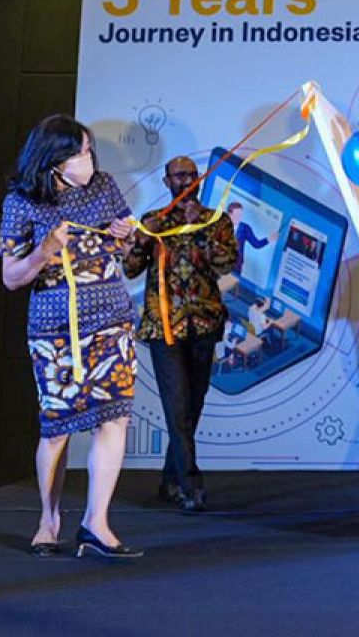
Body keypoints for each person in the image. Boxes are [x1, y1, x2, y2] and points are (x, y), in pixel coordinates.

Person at [0, 114, 142, 558]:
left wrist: (126, 238)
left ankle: (96, 523)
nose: (87, 159)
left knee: (114, 418)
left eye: (88, 150)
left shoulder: (103, 187)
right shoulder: (22, 202)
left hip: (111, 319)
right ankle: (49, 519)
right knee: (57, 429)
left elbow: (127, 251)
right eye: (78, 152)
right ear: (53, 160)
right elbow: (11, 277)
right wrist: (43, 252)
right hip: (55, 329)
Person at [123, 156, 238, 513]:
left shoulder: (215, 220)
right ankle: (191, 485)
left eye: (191, 175)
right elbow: (130, 269)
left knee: (193, 404)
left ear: (199, 179)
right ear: (167, 181)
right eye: (179, 176)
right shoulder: (153, 221)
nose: (186, 181)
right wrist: (143, 238)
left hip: (204, 325)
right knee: (177, 404)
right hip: (164, 328)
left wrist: (198, 228)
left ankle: (170, 480)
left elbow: (226, 265)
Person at [228, 201, 272, 274]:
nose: (239, 218)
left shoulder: (245, 228)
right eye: (237, 215)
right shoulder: (222, 224)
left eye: (240, 215)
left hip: (236, 265)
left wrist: (268, 239)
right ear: (229, 214)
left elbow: (256, 244)